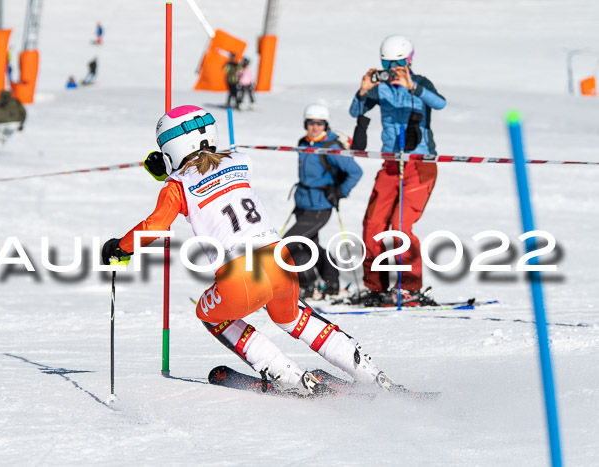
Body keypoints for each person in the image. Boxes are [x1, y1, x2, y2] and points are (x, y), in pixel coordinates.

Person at [101, 105, 406, 396]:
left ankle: (289, 377)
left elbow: (155, 225)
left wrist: (120, 248)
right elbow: (209, 169)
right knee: (294, 319)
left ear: (170, 148)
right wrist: (169, 171)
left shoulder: (176, 188)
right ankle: (372, 375)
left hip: (241, 274)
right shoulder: (238, 160)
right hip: (280, 261)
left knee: (208, 314)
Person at [348, 35, 446, 306]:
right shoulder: (381, 88)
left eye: (398, 63)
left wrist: (413, 87)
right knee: (372, 225)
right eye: (387, 63)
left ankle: (409, 288)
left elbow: (440, 103)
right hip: (391, 165)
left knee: (400, 225)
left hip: (419, 163)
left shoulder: (420, 83)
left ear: (409, 61)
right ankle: (376, 288)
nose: (393, 68)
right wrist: (363, 91)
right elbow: (355, 110)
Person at [285, 103, 363, 299]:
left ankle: (308, 285)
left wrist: (340, 191)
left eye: (320, 123)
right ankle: (331, 281)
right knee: (309, 245)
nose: (315, 127)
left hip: (321, 206)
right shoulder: (303, 142)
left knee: (288, 243)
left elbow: (356, 171)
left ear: (326, 125)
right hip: (303, 204)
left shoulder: (331, 147)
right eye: (311, 123)